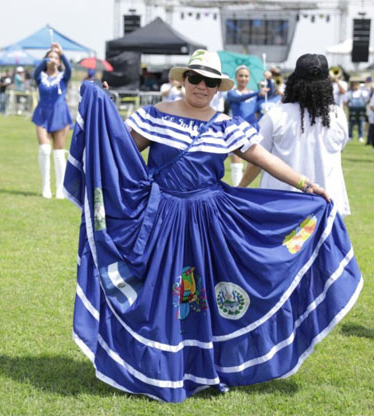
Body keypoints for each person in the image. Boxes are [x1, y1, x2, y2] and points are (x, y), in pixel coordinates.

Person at [66, 50, 361, 402]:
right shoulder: (153, 117)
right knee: (166, 295)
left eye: (209, 82)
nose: (201, 87)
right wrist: (102, 108)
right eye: (195, 78)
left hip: (212, 221)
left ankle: (209, 365)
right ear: (183, 79)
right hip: (164, 220)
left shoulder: (226, 125)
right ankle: (162, 366)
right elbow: (118, 154)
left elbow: (263, 157)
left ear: (218, 88)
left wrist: (305, 185)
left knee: (207, 297)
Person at [240, 53, 351, 217]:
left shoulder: (276, 114)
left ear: (294, 81)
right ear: (327, 82)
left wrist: (240, 188)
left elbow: (258, 159)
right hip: (327, 207)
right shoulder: (338, 115)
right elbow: (339, 149)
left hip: (282, 207)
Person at [31, 42, 72, 199]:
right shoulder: (40, 77)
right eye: (50, 57)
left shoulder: (63, 77)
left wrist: (61, 53)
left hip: (60, 115)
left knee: (59, 153)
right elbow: (35, 71)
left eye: (55, 58)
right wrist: (47, 59)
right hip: (42, 114)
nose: (53, 60)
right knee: (44, 150)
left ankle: (60, 188)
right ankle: (45, 186)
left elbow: (70, 69)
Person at [225, 66, 270, 186]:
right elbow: (239, 98)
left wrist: (269, 79)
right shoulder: (232, 92)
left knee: (254, 160)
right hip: (237, 129)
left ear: (249, 78)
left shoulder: (253, 94)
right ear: (236, 77)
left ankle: (244, 187)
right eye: (241, 76)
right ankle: (236, 189)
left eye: (246, 76)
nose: (243, 78)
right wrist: (257, 92)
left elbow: (269, 93)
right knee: (236, 158)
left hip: (253, 129)